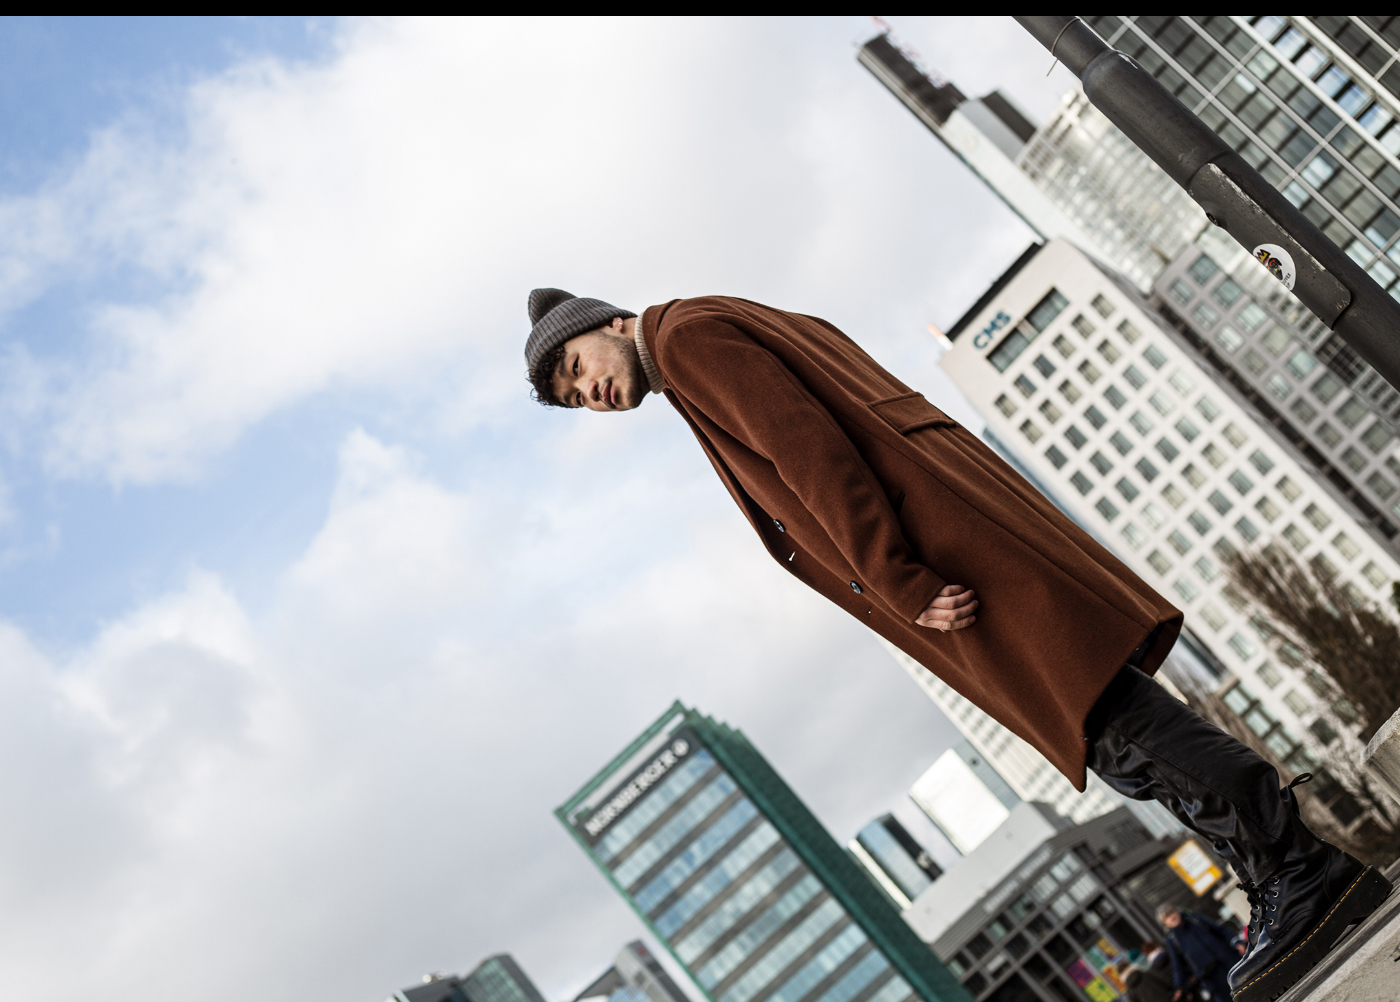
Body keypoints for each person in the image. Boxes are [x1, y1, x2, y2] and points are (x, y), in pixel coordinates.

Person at [522, 289, 1393, 1000]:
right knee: (1103, 718)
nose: (586, 393)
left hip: (946, 554)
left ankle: (1301, 875)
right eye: (571, 398)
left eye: (575, 367)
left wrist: (896, 577)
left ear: (608, 323)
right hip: (954, 533)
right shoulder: (701, 331)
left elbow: (808, 449)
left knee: (1107, 718)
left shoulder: (685, 339)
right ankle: (1289, 873)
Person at [1159, 905, 1241, 1001]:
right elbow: (1178, 965)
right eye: (1167, 917)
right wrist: (1179, 986)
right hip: (1211, 978)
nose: (1172, 917)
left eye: (1172, 913)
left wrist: (1236, 942)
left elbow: (1220, 930)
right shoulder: (1172, 939)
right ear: (1165, 923)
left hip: (1228, 963)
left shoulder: (1194, 919)